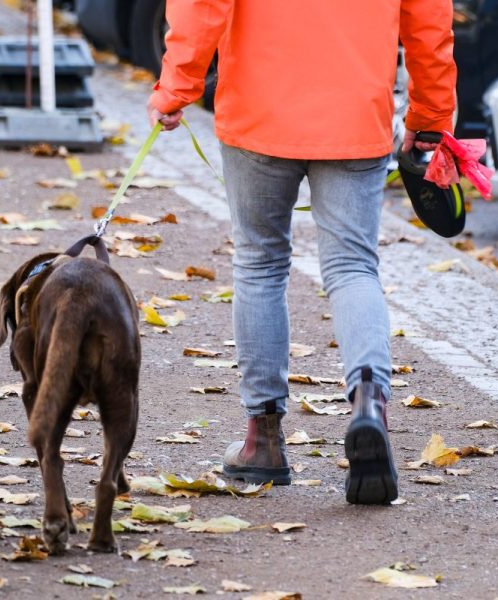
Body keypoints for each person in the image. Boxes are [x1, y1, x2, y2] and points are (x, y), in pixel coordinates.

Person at [147, 1, 456, 504]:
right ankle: (369, 405)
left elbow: (203, 5)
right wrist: (430, 114)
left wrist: (176, 87)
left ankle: (262, 439)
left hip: (258, 110)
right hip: (356, 113)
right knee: (354, 267)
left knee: (260, 263)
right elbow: (429, 22)